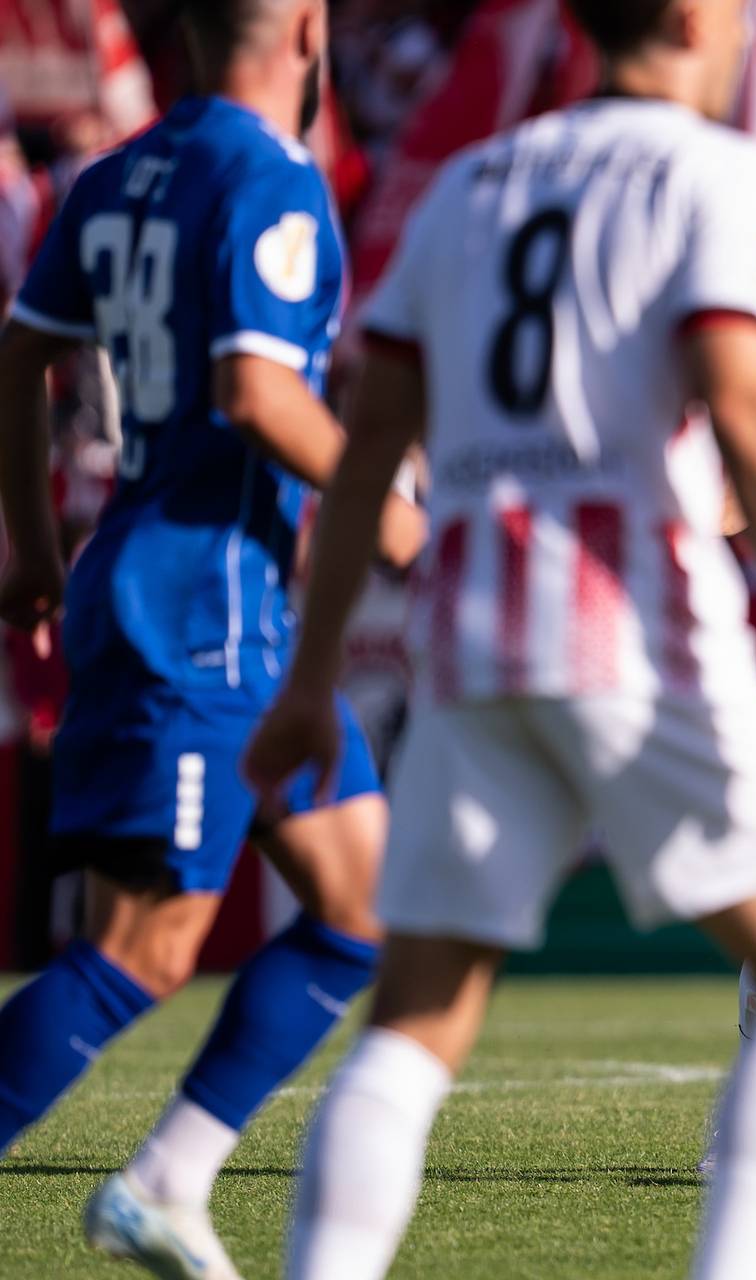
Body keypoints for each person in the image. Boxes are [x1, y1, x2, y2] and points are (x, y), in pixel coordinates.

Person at [244, 2, 756, 1277]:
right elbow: (747, 411)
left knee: (417, 1016)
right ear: (697, 21)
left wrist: (314, 675)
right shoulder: (720, 172)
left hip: (468, 636)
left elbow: (371, 446)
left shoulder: (469, 185)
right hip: (632, 627)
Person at [0, 4, 425, 1277]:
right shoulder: (270, 175)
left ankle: (165, 1180)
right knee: (144, 948)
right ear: (305, 30)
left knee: (364, 907)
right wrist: (403, 523)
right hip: (199, 604)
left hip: (200, 589)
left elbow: (20, 354)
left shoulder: (116, 169)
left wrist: (31, 544)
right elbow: (260, 394)